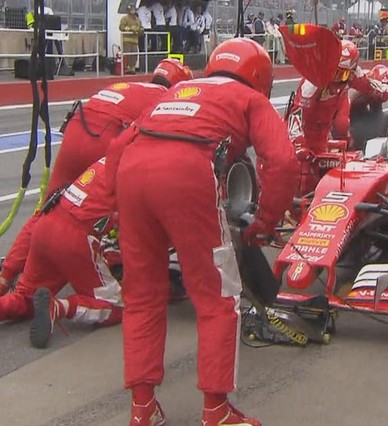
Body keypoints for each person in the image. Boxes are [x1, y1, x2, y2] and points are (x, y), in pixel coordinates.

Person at [111, 38, 298, 426]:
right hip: (187, 172)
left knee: (143, 296)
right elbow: (282, 162)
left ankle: (142, 410)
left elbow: (117, 147)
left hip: (131, 171)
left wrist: (118, 210)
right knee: (217, 296)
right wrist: (265, 221)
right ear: (259, 76)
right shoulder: (250, 99)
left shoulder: (179, 89)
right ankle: (217, 411)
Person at [0, 59, 192, 297]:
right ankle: (117, 262)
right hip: (106, 136)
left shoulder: (130, 86)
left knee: (47, 208)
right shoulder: (170, 99)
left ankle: (5, 275)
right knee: (117, 204)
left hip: (77, 127)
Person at [0, 158, 122, 349]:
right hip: (75, 241)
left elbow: (36, 221)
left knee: (26, 299)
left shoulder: (105, 158)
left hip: (45, 225)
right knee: (117, 306)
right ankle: (59, 307)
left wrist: (6, 275)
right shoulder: (144, 167)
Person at [287, 40, 388, 195]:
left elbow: (370, 85)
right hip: (301, 138)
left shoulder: (351, 75)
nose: (338, 78)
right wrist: (298, 145)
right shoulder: (313, 79)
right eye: (336, 72)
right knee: (302, 181)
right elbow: (296, 113)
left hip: (322, 138)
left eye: (344, 74)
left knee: (329, 180)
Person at [119, 4, 144, 74]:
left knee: (134, 55)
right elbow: (121, 27)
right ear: (128, 10)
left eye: (134, 9)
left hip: (135, 41)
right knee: (127, 55)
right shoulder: (124, 18)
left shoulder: (138, 20)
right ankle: (126, 68)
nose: (133, 11)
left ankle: (132, 68)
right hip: (127, 40)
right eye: (131, 9)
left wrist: (140, 30)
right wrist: (130, 30)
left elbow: (141, 28)